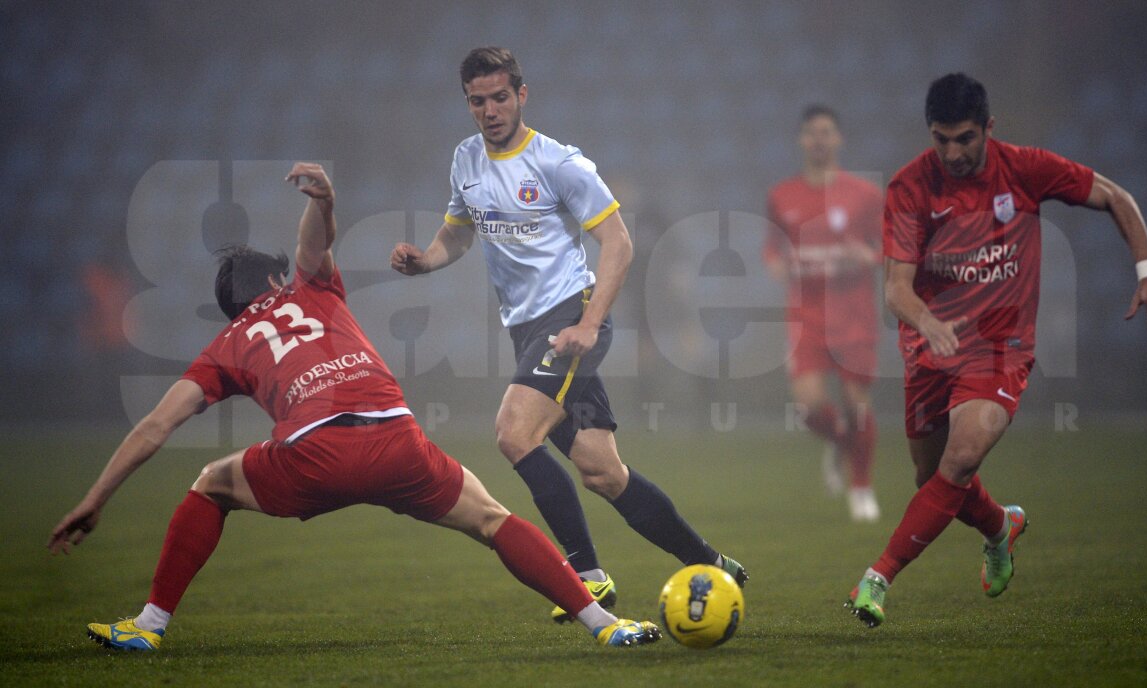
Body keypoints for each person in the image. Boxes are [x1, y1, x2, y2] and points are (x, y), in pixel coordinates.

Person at [48, 162, 662, 650]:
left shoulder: (225, 345)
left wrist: (94, 500)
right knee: (493, 519)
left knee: (211, 484)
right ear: (272, 283)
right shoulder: (310, 287)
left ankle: (149, 625)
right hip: (397, 440)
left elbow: (156, 425)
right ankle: (605, 625)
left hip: (314, 458)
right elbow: (314, 244)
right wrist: (323, 201)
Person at [390, 47, 747, 623]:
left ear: (522, 95)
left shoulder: (560, 164)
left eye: (500, 97)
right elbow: (458, 232)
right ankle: (711, 562)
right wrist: (425, 260)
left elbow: (620, 242)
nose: (490, 110)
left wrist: (587, 323)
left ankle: (587, 575)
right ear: (468, 103)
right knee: (604, 472)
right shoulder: (466, 161)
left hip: (570, 319)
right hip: (528, 330)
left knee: (513, 433)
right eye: (477, 101)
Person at [846, 73, 1147, 627]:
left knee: (963, 455)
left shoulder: (1023, 168)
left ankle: (877, 577)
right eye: (941, 138)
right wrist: (927, 322)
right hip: (931, 347)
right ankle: (1000, 526)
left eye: (965, 138)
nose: (952, 152)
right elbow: (896, 288)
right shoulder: (910, 187)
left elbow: (1116, 197)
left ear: (988, 128)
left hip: (1001, 347)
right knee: (933, 480)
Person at [763, 105, 883, 522]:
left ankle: (861, 488)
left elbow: (889, 247)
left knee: (856, 405)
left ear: (839, 139)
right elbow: (771, 247)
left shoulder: (864, 194)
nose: (819, 139)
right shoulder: (782, 195)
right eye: (811, 133)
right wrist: (776, 264)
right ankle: (838, 442)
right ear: (801, 140)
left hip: (853, 313)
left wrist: (866, 256)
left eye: (827, 132)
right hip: (806, 313)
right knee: (811, 405)